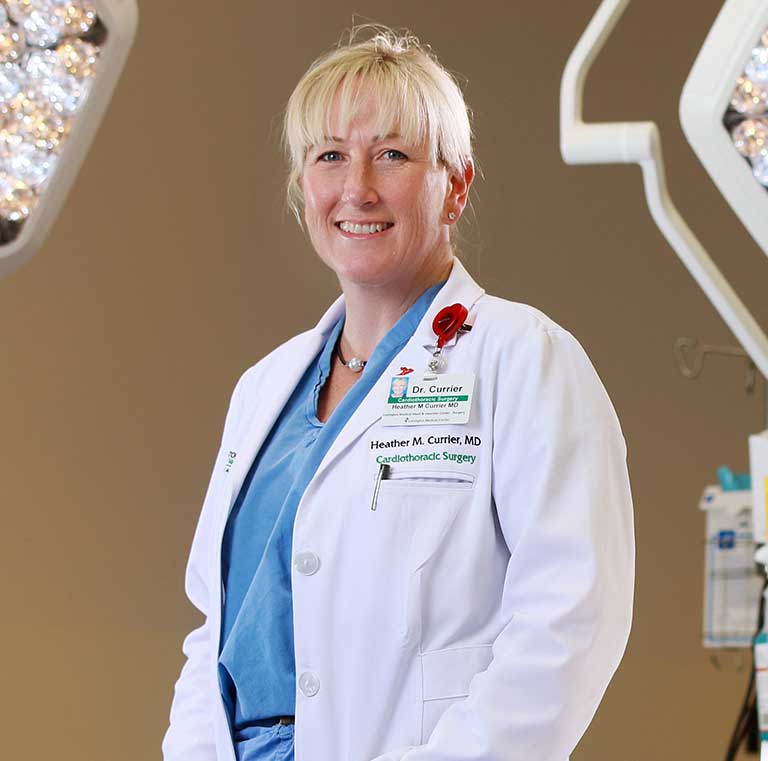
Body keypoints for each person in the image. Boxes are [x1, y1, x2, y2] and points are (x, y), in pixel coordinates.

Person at [162, 23, 635, 761]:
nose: (357, 188)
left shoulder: (524, 359)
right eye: (329, 157)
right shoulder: (264, 389)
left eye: (392, 154)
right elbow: (211, 633)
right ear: (302, 189)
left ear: (456, 183)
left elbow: (570, 620)